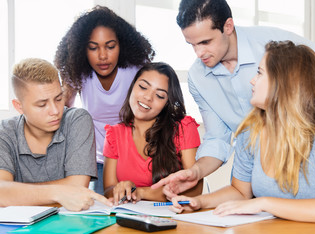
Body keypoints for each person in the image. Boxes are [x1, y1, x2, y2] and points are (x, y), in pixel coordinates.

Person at [151, 0, 315, 197]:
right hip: (250, 183)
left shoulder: (273, 47)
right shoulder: (198, 76)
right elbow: (217, 138)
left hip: (305, 177)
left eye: (206, 42)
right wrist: (196, 171)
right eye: (192, 44)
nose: (199, 53)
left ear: (228, 26)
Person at [170, 41, 315, 234]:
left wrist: (264, 203)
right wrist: (200, 202)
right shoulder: (251, 130)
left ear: (284, 83)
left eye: (260, 73)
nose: (252, 80)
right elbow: (240, 192)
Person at [54, 5, 155, 194]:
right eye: (93, 48)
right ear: (82, 50)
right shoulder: (78, 74)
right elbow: (61, 110)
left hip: (136, 156)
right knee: (104, 213)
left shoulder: (136, 69)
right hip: (100, 161)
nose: (102, 56)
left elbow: (156, 108)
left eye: (110, 46)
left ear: (121, 45)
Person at [0, 58, 112, 211]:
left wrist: (18, 192)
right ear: (19, 106)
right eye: (42, 104)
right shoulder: (4, 132)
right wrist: (57, 191)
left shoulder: (77, 120)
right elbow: (2, 193)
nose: (55, 110)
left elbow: (77, 186)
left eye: (59, 98)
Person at [103, 62, 203, 205]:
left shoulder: (183, 127)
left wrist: (141, 192)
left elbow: (196, 189)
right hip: (129, 218)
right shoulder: (114, 134)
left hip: (174, 218)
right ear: (132, 87)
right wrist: (120, 189)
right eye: (143, 87)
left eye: (160, 95)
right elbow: (108, 189)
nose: (148, 97)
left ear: (167, 103)